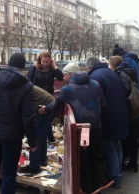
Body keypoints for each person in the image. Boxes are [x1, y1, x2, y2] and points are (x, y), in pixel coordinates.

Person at [0, 53, 37, 194]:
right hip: (12, 136)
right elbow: (28, 117)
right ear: (22, 66)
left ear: (9, 64)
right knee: (9, 173)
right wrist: (33, 142)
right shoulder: (26, 86)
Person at [43, 61, 105, 194]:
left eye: (64, 75)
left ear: (70, 75)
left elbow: (56, 107)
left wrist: (45, 109)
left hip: (80, 131)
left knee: (81, 162)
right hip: (96, 128)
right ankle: (96, 188)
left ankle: (85, 189)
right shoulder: (95, 84)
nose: (63, 78)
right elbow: (103, 104)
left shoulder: (68, 89)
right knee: (94, 160)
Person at [87, 57, 129, 189]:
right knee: (117, 146)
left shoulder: (96, 76)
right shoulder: (109, 72)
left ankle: (115, 179)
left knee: (110, 148)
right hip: (120, 115)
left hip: (108, 118)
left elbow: (95, 99)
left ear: (90, 67)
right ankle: (118, 174)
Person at [109, 56, 139, 173]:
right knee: (133, 136)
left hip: (127, 110)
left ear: (113, 64)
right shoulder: (130, 70)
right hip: (134, 108)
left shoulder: (121, 74)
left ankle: (126, 162)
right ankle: (134, 162)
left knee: (125, 138)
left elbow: (124, 91)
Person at [27, 51, 64, 144]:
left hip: (48, 96)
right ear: (40, 60)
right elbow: (28, 81)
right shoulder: (35, 68)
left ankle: (47, 139)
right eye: (43, 62)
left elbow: (60, 77)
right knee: (40, 118)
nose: (45, 64)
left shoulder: (51, 69)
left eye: (47, 62)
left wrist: (54, 66)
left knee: (47, 117)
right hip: (38, 97)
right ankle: (45, 139)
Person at [19, 86, 55, 174]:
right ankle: (42, 159)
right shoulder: (25, 86)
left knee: (36, 137)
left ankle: (34, 166)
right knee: (42, 136)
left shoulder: (21, 90)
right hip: (48, 106)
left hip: (43, 108)